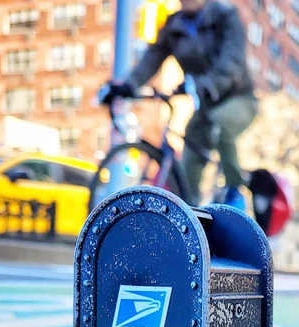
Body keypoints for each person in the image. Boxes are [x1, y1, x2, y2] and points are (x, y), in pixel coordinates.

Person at [99, 0, 257, 208]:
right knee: (189, 159)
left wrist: (202, 84)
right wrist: (128, 86)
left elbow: (231, 62)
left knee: (220, 127)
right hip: (206, 105)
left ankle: (235, 191)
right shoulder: (174, 26)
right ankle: (189, 211)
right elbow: (151, 59)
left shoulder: (226, 16)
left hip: (238, 98)